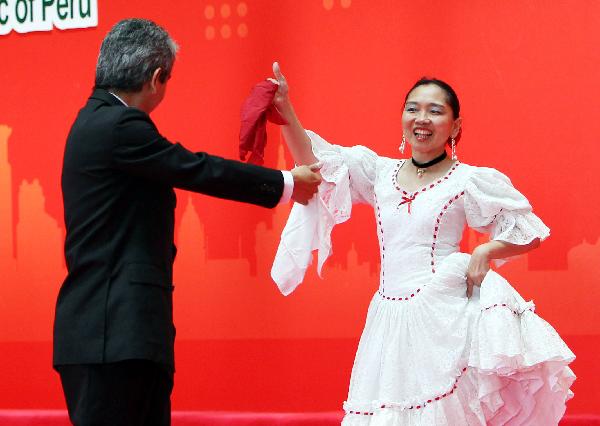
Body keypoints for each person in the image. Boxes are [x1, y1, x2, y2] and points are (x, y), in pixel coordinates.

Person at [268, 62, 575, 425]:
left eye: (435, 111)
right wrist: (285, 110)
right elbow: (315, 164)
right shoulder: (380, 173)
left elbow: (529, 230)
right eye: (413, 109)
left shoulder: (469, 180)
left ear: (455, 126)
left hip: (446, 313)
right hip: (388, 317)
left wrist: (486, 250)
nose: (422, 119)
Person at [52, 20, 321, 426]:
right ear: (157, 78)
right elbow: (193, 168)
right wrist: (285, 183)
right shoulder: (120, 126)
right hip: (117, 337)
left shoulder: (91, 121)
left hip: (98, 335)